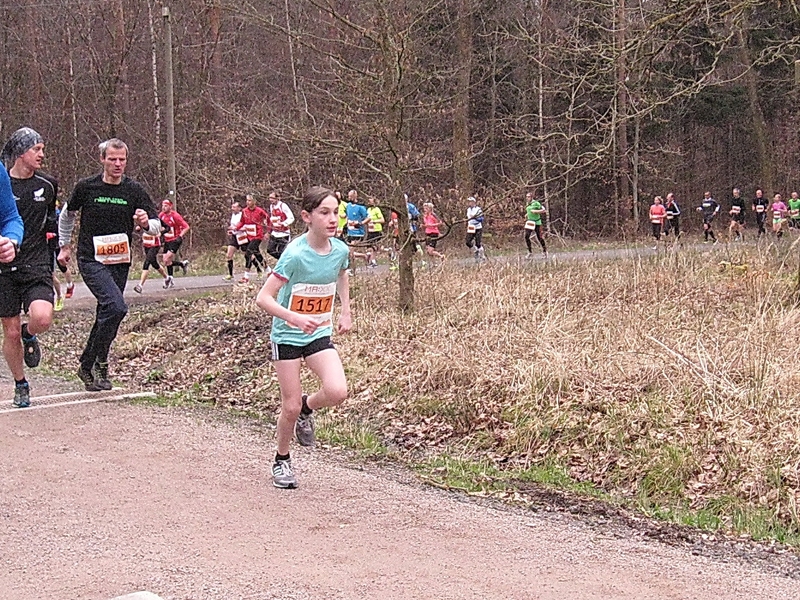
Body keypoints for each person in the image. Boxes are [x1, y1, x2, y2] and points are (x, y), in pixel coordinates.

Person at [255, 186, 351, 489]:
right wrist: (294, 317)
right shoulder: (294, 255)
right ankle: (281, 459)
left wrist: (346, 311)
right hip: (287, 335)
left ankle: (309, 407)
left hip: (318, 332)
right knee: (290, 406)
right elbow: (263, 298)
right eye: (324, 213)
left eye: (336, 213)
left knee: (337, 391)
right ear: (307, 217)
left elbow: (342, 274)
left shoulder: (341, 250)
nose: (332, 219)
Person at [58, 138, 162, 391]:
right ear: (102, 159)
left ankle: (93, 364)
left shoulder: (133, 190)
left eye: (122, 159)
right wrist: (64, 245)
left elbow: (158, 225)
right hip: (91, 258)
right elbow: (67, 215)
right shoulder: (87, 187)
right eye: (112, 159)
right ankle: (93, 361)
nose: (117, 164)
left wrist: (145, 223)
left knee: (107, 310)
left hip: (119, 260)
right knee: (116, 307)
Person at [0, 127, 57, 408]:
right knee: (9, 332)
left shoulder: (48, 185)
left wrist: (58, 259)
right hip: (4, 269)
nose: (41, 154)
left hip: (36, 263)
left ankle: (30, 332)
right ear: (21, 153)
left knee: (43, 318)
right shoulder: (6, 180)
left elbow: (50, 224)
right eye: (36, 149)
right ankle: (20, 383)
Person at [235, 193, 269, 283]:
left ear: (254, 201)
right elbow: (242, 222)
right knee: (257, 254)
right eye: (247, 200)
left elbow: (268, 220)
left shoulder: (260, 211)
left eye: (249, 200)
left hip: (258, 236)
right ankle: (269, 271)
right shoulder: (244, 211)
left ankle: (246, 277)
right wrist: (235, 228)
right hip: (249, 235)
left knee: (248, 253)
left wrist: (267, 232)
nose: (247, 202)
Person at [48, 201, 74, 312]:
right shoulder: (44, 215)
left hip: (59, 244)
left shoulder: (59, 216)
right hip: (47, 246)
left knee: (63, 267)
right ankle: (59, 296)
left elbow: (63, 230)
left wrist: (54, 235)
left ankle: (70, 284)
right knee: (51, 274)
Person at [159, 198, 190, 287]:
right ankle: (181, 265)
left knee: (166, 259)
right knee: (166, 261)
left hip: (175, 240)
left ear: (170, 206)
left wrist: (180, 236)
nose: (163, 207)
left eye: (166, 206)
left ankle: (169, 279)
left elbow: (186, 227)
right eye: (162, 206)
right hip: (167, 240)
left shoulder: (175, 216)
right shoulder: (161, 215)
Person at [133, 219, 169, 293]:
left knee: (147, 263)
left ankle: (140, 285)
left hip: (155, 245)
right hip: (146, 244)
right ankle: (167, 278)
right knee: (154, 264)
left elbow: (168, 228)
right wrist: (138, 228)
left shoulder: (157, 219)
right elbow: (140, 228)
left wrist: (161, 233)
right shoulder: (144, 218)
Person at [344, 189, 371, 267]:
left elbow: (368, 218)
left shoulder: (360, 207)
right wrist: (346, 223)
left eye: (350, 196)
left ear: (354, 196)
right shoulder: (348, 206)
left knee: (350, 252)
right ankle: (364, 256)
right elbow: (347, 216)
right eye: (348, 196)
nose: (349, 198)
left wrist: (360, 223)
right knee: (349, 252)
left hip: (358, 233)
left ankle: (352, 268)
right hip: (350, 232)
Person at [224, 196, 248, 280]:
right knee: (229, 255)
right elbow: (233, 226)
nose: (232, 209)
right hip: (234, 237)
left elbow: (246, 227)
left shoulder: (243, 215)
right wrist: (231, 230)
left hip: (242, 236)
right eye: (232, 207)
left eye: (234, 207)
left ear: (239, 208)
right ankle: (230, 274)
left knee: (248, 255)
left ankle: (259, 269)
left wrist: (237, 228)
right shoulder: (233, 215)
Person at [266, 191, 295, 261]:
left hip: (283, 233)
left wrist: (283, 223)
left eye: (272, 198)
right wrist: (269, 231)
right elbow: (272, 218)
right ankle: (283, 261)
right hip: (275, 233)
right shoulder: (271, 206)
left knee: (282, 251)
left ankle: (284, 262)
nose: (271, 200)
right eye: (270, 198)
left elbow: (291, 217)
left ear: (277, 198)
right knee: (270, 250)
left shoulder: (283, 206)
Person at [524, 192, 547, 257]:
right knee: (526, 236)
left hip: (537, 222)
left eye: (528, 197)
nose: (527, 198)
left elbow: (544, 210)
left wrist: (536, 211)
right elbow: (529, 210)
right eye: (526, 197)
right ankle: (530, 252)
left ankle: (544, 251)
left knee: (539, 237)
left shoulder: (536, 203)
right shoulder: (528, 204)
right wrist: (527, 214)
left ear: (532, 197)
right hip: (530, 222)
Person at [465, 195, 485, 262]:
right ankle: (475, 250)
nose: (469, 203)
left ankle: (482, 256)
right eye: (468, 202)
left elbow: (481, 219)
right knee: (468, 242)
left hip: (478, 227)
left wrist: (475, 217)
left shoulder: (478, 209)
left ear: (474, 202)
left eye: (470, 202)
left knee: (478, 243)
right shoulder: (468, 210)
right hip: (471, 227)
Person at [365, 196, 384, 267]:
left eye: (370, 201)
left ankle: (373, 262)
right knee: (369, 247)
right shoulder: (368, 210)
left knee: (374, 247)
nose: (369, 202)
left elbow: (382, 220)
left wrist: (374, 221)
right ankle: (388, 250)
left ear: (374, 202)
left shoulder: (377, 209)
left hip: (377, 230)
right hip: (370, 230)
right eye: (368, 201)